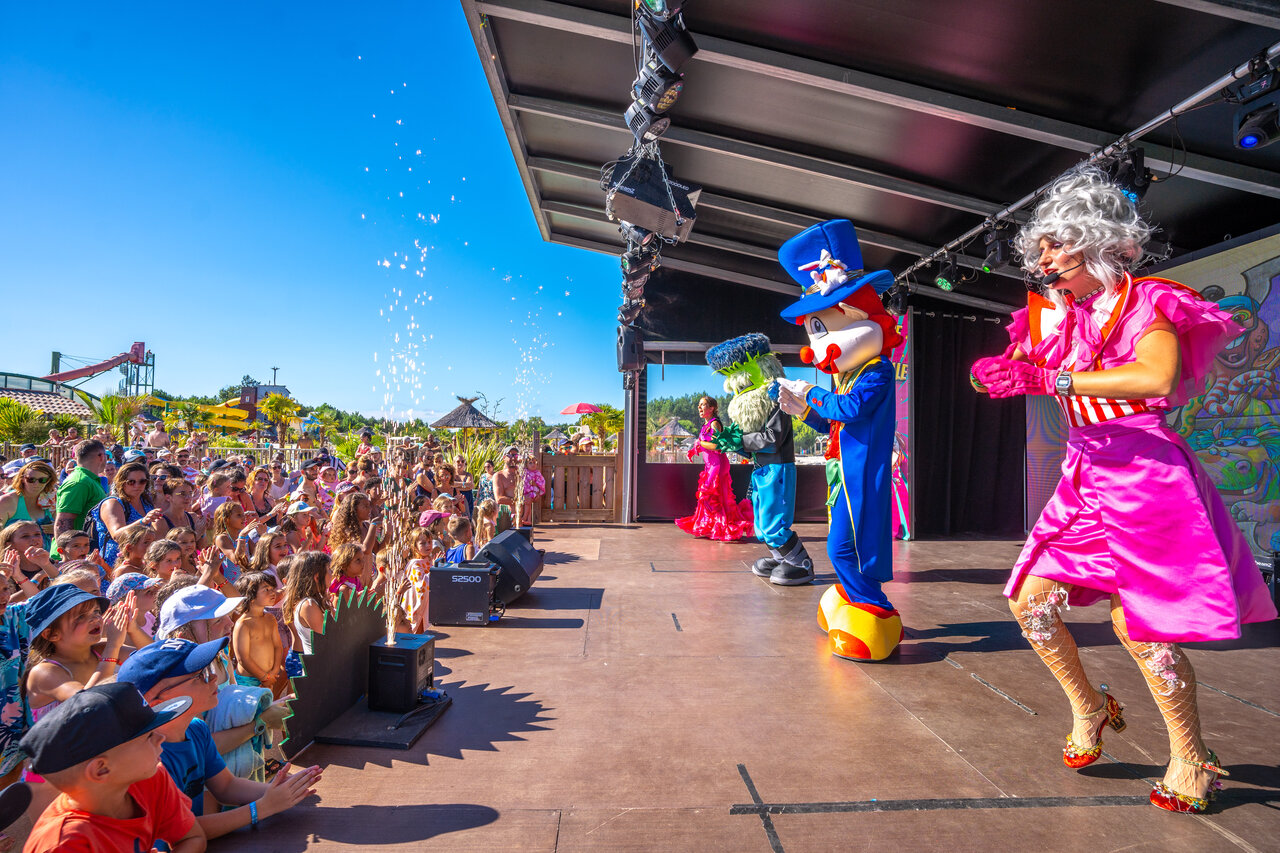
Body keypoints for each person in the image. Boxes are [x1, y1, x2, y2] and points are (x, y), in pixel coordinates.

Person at [970, 167, 1278, 814]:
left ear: (1097, 239)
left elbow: (1158, 375)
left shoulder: (1146, 301)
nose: (1044, 257)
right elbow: (1039, 373)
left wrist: (1052, 384)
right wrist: (1006, 373)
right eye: (1041, 246)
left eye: (1057, 243)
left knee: (1141, 627)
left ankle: (1191, 754)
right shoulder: (1057, 315)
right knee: (1031, 605)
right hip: (1085, 474)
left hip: (1145, 474)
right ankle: (1091, 706)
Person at [115, 638, 320, 839]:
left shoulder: (197, 730)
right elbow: (183, 830)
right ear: (158, 699)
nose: (214, 678)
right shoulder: (147, 760)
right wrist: (262, 808)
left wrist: (281, 791)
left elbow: (226, 786)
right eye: (200, 676)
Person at [18, 682, 205, 853]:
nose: (160, 738)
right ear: (101, 769)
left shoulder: (150, 778)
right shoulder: (63, 844)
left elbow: (194, 838)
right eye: (148, 736)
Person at [675, 396, 754, 542]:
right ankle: (712, 527)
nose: (699, 407)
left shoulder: (714, 424)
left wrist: (700, 443)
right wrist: (695, 448)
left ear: (712, 408)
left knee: (716, 498)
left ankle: (724, 528)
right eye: (699, 405)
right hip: (710, 466)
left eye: (703, 405)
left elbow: (717, 447)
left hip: (717, 467)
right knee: (710, 498)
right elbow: (706, 445)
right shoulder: (706, 425)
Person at [95, 462, 162, 569]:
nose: (137, 485)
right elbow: (117, 535)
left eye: (142, 481)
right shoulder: (112, 503)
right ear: (121, 483)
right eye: (131, 482)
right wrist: (142, 521)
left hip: (142, 562)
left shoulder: (146, 503)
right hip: (114, 565)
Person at [51, 441, 108, 560]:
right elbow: (63, 523)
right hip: (74, 559)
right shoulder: (80, 481)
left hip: (83, 553)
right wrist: (67, 559)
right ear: (102, 456)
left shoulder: (88, 480)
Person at [231, 573, 286, 696]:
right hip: (248, 681)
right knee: (249, 714)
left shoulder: (270, 618)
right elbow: (242, 658)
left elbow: (278, 646)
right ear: (251, 596)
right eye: (266, 590)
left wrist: (274, 671)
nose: (273, 593)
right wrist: (264, 677)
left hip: (269, 676)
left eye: (273, 588)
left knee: (265, 713)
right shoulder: (243, 624)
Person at [0, 461, 57, 551]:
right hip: (13, 560)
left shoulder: (51, 501)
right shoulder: (7, 501)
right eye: (31, 479)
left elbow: (62, 531)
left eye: (42, 480)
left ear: (49, 481)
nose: (36, 484)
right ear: (22, 479)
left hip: (42, 560)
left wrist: (55, 529)